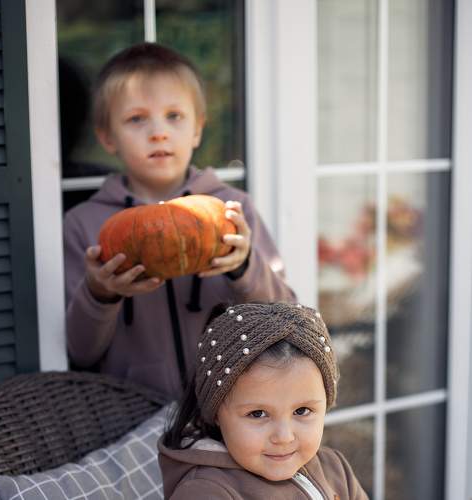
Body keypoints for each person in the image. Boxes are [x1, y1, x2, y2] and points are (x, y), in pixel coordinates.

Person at [64, 42, 296, 401]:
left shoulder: (232, 210)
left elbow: (285, 317)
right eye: (136, 119)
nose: (158, 132)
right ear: (108, 137)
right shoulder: (84, 225)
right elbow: (81, 352)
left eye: (174, 116)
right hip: (133, 409)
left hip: (227, 402)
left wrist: (244, 266)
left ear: (197, 130)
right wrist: (100, 293)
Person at [159, 302, 368, 499]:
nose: (284, 437)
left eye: (302, 410)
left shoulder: (335, 468)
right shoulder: (204, 492)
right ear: (216, 414)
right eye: (258, 414)